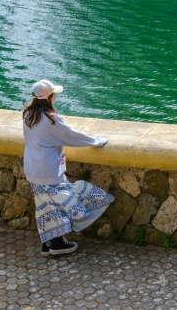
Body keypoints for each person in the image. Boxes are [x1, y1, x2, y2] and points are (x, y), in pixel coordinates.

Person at [22, 79, 114, 256]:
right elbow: (73, 137)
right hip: (49, 171)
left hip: (32, 169)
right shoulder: (52, 120)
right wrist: (97, 141)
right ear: (49, 97)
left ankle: (50, 242)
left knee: (45, 207)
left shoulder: (28, 115)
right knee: (66, 201)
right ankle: (56, 243)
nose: (56, 95)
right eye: (54, 93)